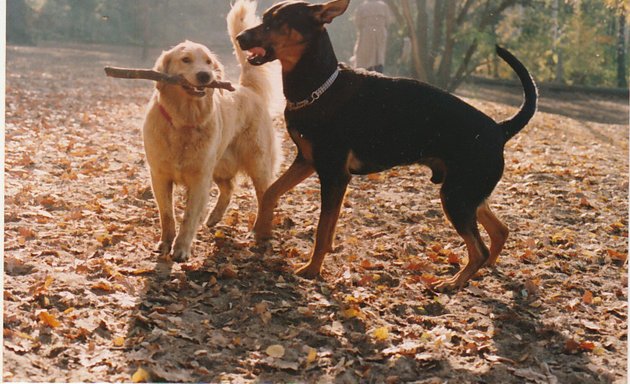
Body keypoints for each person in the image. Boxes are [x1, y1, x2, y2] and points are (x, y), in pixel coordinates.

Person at [352, 0, 393, 73]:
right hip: (380, 32)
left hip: (367, 33)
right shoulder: (383, 6)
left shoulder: (362, 7)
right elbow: (388, 21)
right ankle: (378, 71)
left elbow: (357, 22)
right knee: (379, 56)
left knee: (366, 58)